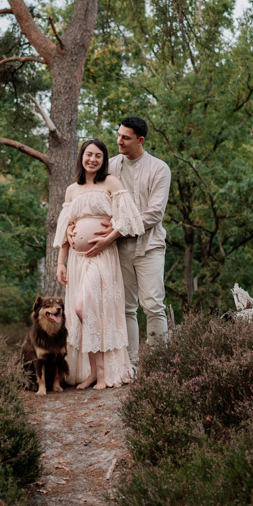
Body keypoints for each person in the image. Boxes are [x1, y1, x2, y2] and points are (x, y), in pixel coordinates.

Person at [54, 138, 144, 390]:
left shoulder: (111, 183)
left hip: (101, 257)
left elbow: (128, 218)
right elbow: (64, 229)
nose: (93, 159)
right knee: (84, 311)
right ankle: (93, 372)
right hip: (77, 260)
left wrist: (108, 238)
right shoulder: (72, 190)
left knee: (86, 308)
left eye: (98, 156)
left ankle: (104, 372)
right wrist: (61, 262)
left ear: (104, 160)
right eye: (88, 154)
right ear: (81, 157)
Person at [91, 116, 171, 365]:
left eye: (125, 137)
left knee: (153, 305)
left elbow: (155, 213)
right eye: (118, 135)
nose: (119, 141)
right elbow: (95, 198)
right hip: (119, 248)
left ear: (140, 140)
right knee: (126, 307)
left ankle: (159, 365)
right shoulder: (111, 166)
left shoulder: (159, 169)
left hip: (150, 247)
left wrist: (116, 229)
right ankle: (132, 364)